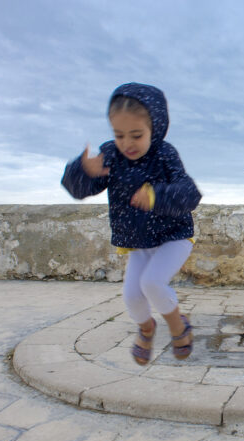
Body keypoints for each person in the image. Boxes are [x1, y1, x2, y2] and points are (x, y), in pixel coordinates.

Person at [61, 82, 201, 365]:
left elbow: (190, 194)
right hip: (139, 242)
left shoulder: (164, 154)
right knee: (132, 297)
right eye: (119, 135)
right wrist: (82, 171)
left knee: (152, 283)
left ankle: (179, 327)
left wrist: (156, 196)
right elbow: (81, 190)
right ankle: (147, 329)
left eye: (136, 135)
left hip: (174, 236)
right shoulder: (112, 155)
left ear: (154, 128)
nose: (127, 143)